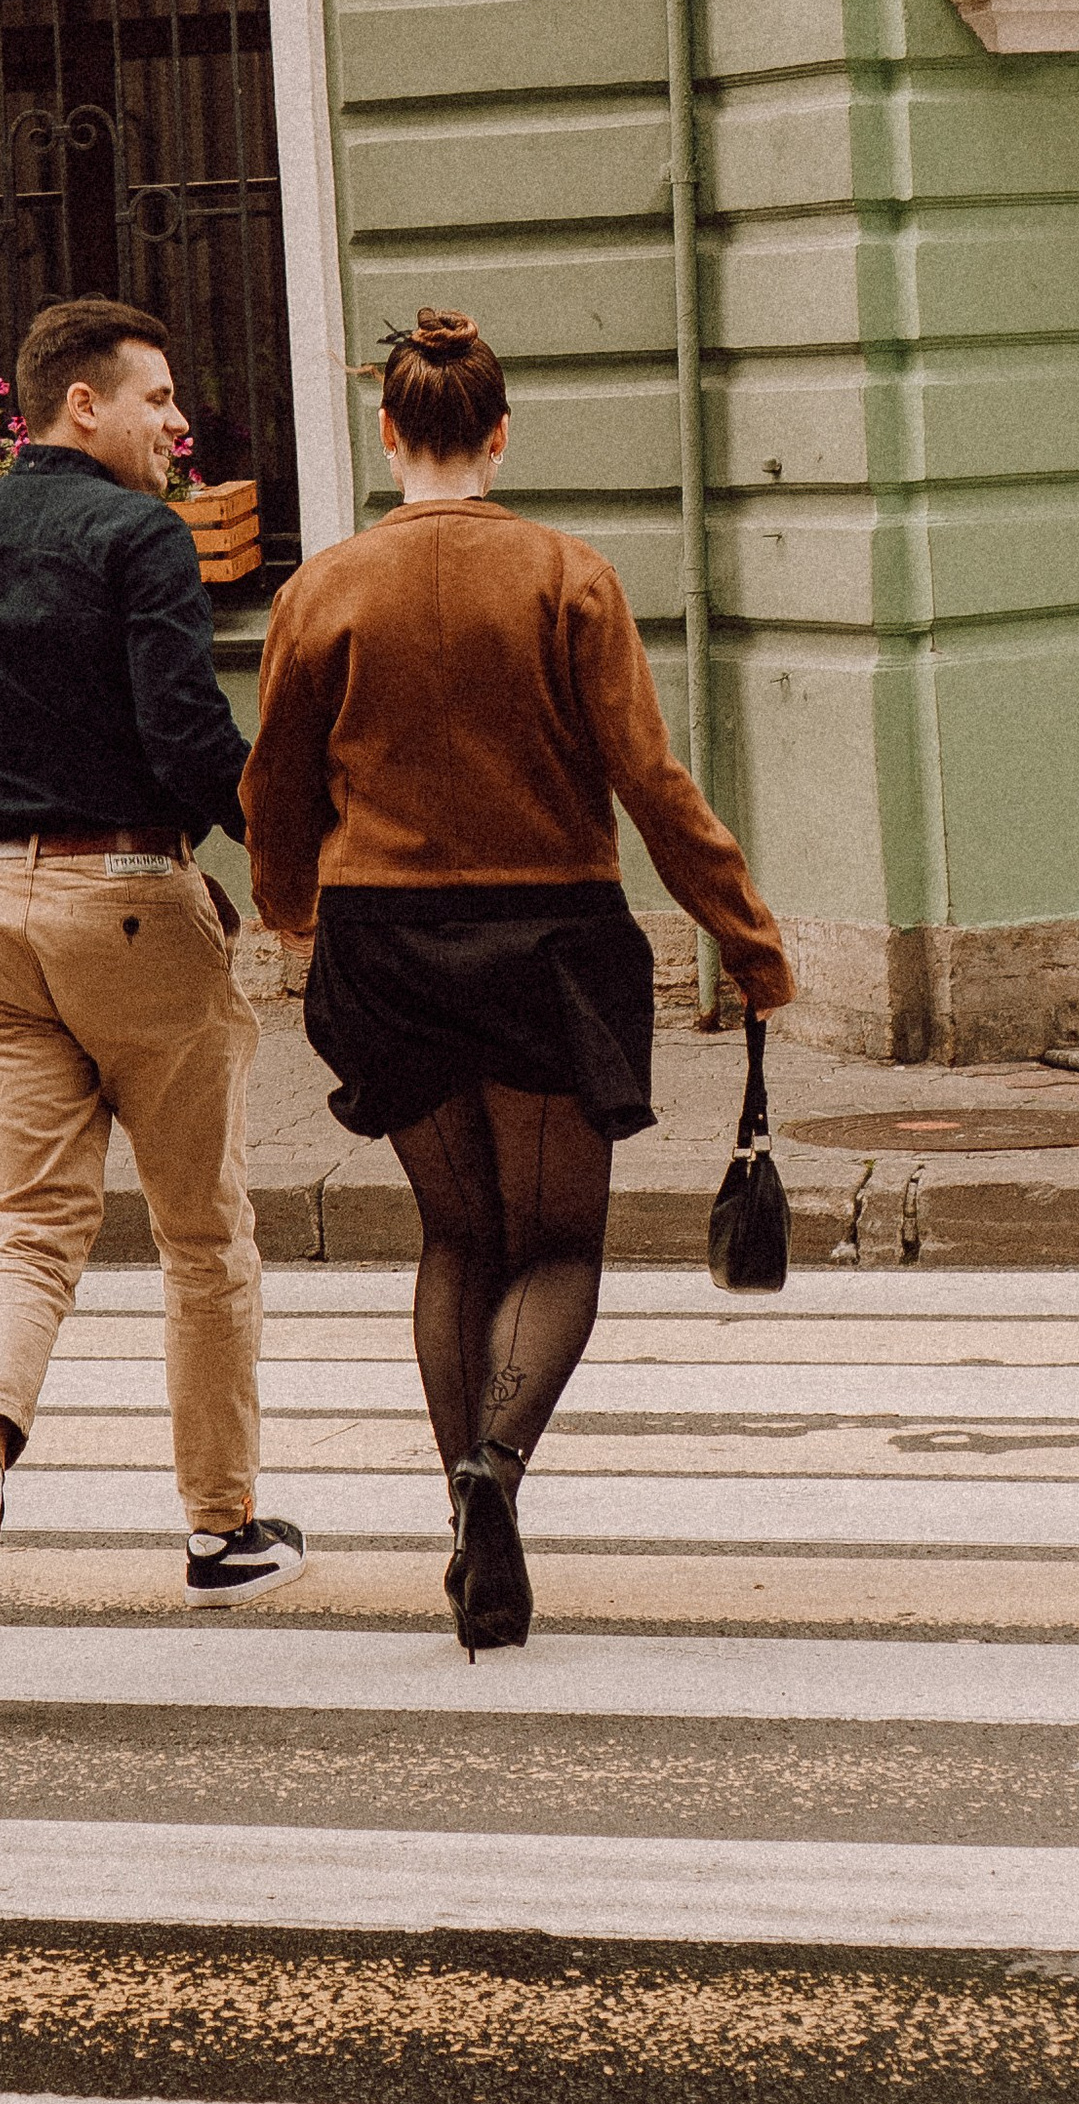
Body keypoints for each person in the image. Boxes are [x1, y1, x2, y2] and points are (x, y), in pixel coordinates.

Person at [242, 307, 793, 1655]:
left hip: (386, 940)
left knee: (455, 1238)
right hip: (549, 938)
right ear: (498, 435)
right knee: (555, 1245)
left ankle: (458, 1505)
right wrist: (746, 937)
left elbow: (275, 782)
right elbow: (650, 785)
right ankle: (499, 1470)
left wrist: (290, 907)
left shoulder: (324, 589)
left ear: (389, 433)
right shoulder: (569, 577)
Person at [0, 293, 305, 1675]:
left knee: (31, 1230)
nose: (182, 427)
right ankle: (220, 1528)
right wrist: (290, 868)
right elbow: (187, 736)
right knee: (201, 1232)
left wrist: (8, 695)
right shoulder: (141, 538)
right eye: (161, 399)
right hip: (125, 905)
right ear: (83, 406)